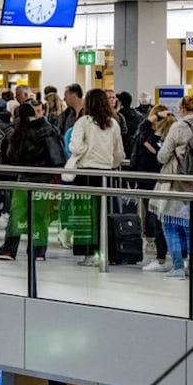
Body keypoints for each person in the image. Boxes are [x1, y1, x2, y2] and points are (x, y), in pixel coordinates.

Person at [153, 95, 193, 279]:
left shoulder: (178, 127)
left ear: (182, 109)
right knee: (192, 228)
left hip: (177, 184)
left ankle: (178, 266)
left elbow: (163, 156)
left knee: (169, 224)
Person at [0, 102, 65, 261]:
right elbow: (57, 158)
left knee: (16, 215)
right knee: (40, 217)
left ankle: (8, 250)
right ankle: (38, 251)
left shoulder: (17, 131)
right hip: (43, 179)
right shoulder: (48, 130)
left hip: (24, 178)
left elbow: (11, 157)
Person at [69, 88, 125, 266]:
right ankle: (103, 251)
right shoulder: (113, 124)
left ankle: (89, 253)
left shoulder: (83, 122)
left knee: (85, 216)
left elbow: (75, 148)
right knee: (103, 214)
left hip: (86, 172)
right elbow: (119, 153)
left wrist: (87, 149)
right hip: (106, 173)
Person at [134, 106, 174, 272]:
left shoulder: (152, 139)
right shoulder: (171, 139)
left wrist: (154, 116)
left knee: (157, 220)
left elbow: (141, 130)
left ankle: (161, 257)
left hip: (152, 181)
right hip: (165, 182)